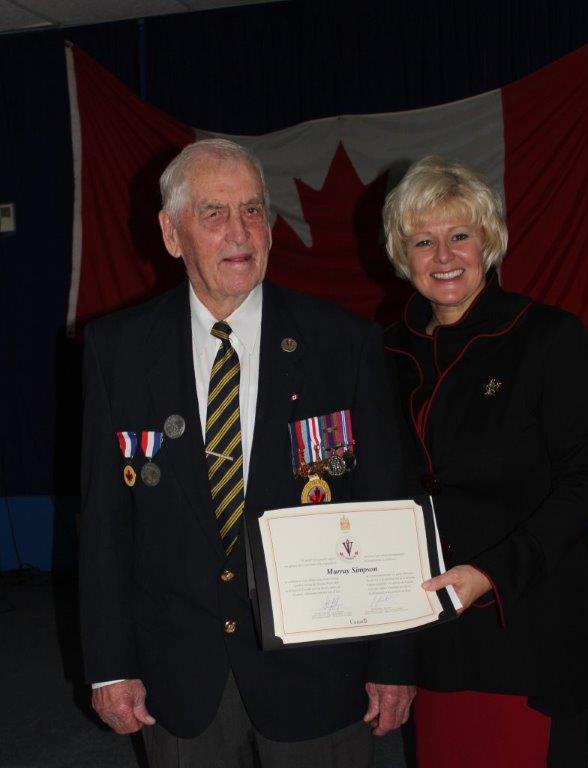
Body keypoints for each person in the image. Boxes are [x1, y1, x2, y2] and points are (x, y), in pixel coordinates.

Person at [79, 138, 415, 768]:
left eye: (253, 211)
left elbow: (384, 505)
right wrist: (108, 666)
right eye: (213, 213)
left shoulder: (343, 344)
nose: (239, 232)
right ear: (171, 233)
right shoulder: (117, 351)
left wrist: (392, 660)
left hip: (320, 674)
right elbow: (104, 524)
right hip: (179, 680)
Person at [382, 156, 588, 767]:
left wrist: (490, 573)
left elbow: (582, 483)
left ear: (489, 240)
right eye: (423, 240)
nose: (443, 255)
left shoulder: (547, 337)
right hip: (430, 616)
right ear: (399, 253)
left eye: (460, 235)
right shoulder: (382, 351)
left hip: (530, 613)